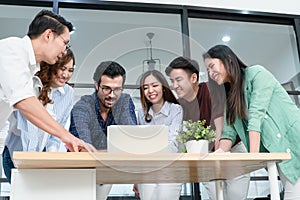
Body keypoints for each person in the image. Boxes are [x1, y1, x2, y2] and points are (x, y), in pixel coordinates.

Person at [203, 44, 300, 199]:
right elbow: (228, 132)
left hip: (294, 142)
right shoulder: (230, 98)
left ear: (228, 59)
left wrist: (252, 157)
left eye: (211, 66)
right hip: (277, 149)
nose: (210, 73)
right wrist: (219, 155)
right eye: (207, 70)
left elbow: (256, 114)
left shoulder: (257, 73)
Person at [0, 9, 91, 152]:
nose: (64, 51)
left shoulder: (31, 70)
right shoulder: (12, 49)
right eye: (64, 43)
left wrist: (65, 137)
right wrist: (66, 136)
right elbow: (24, 101)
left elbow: (35, 112)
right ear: (48, 35)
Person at [165, 56, 250, 200]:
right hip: (207, 156)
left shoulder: (212, 89)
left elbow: (221, 129)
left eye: (178, 80)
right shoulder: (179, 106)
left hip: (232, 150)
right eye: (172, 81)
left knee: (236, 196)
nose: (174, 85)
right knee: (215, 196)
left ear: (193, 78)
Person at [2, 48, 76, 183]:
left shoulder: (68, 93)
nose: (65, 74)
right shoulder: (31, 87)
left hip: (39, 159)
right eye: (62, 68)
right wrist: (31, 163)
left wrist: (51, 158)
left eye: (70, 70)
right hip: (15, 156)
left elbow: (58, 130)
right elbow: (29, 131)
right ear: (51, 66)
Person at [69, 61, 137, 200]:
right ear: (96, 85)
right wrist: (117, 151)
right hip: (80, 174)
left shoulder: (124, 101)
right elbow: (83, 150)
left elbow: (131, 141)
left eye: (117, 89)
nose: (111, 95)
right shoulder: (82, 107)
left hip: (106, 173)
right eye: (106, 88)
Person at [134, 70, 183, 200]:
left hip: (170, 169)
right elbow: (137, 146)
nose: (150, 90)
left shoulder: (176, 110)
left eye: (154, 85)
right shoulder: (140, 114)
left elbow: (173, 143)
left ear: (163, 87)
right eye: (145, 88)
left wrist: (149, 149)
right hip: (147, 171)